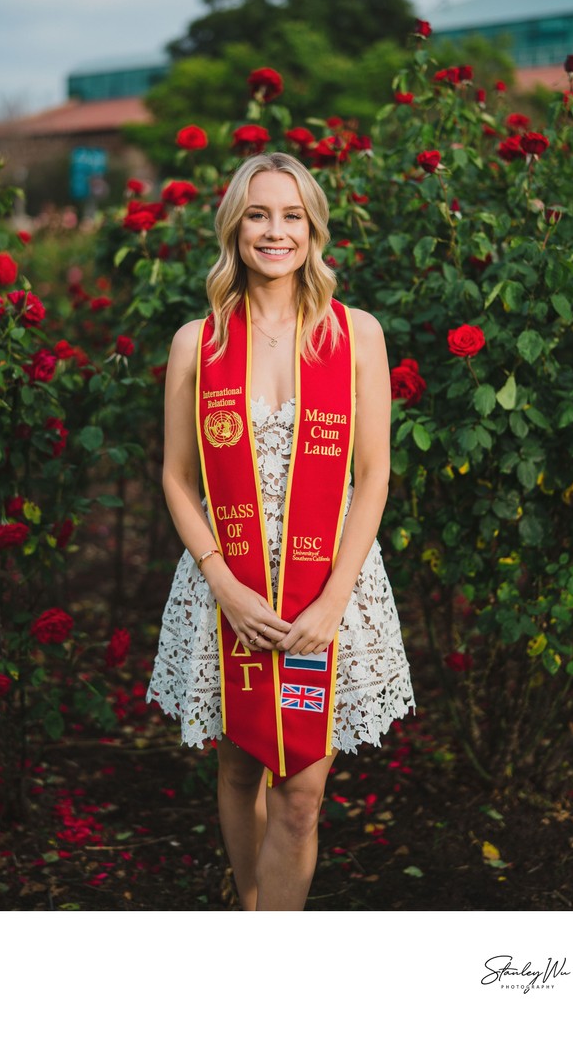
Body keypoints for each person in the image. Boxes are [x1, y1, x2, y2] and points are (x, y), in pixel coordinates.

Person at [147, 151, 414, 911]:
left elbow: (375, 475)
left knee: (300, 791)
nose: (275, 232)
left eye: (291, 216)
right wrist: (222, 583)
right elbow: (175, 476)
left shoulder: (354, 334)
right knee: (237, 768)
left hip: (327, 585)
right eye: (259, 214)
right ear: (235, 226)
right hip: (226, 583)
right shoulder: (196, 344)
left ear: (311, 228)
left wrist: (333, 600)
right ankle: (250, 911)